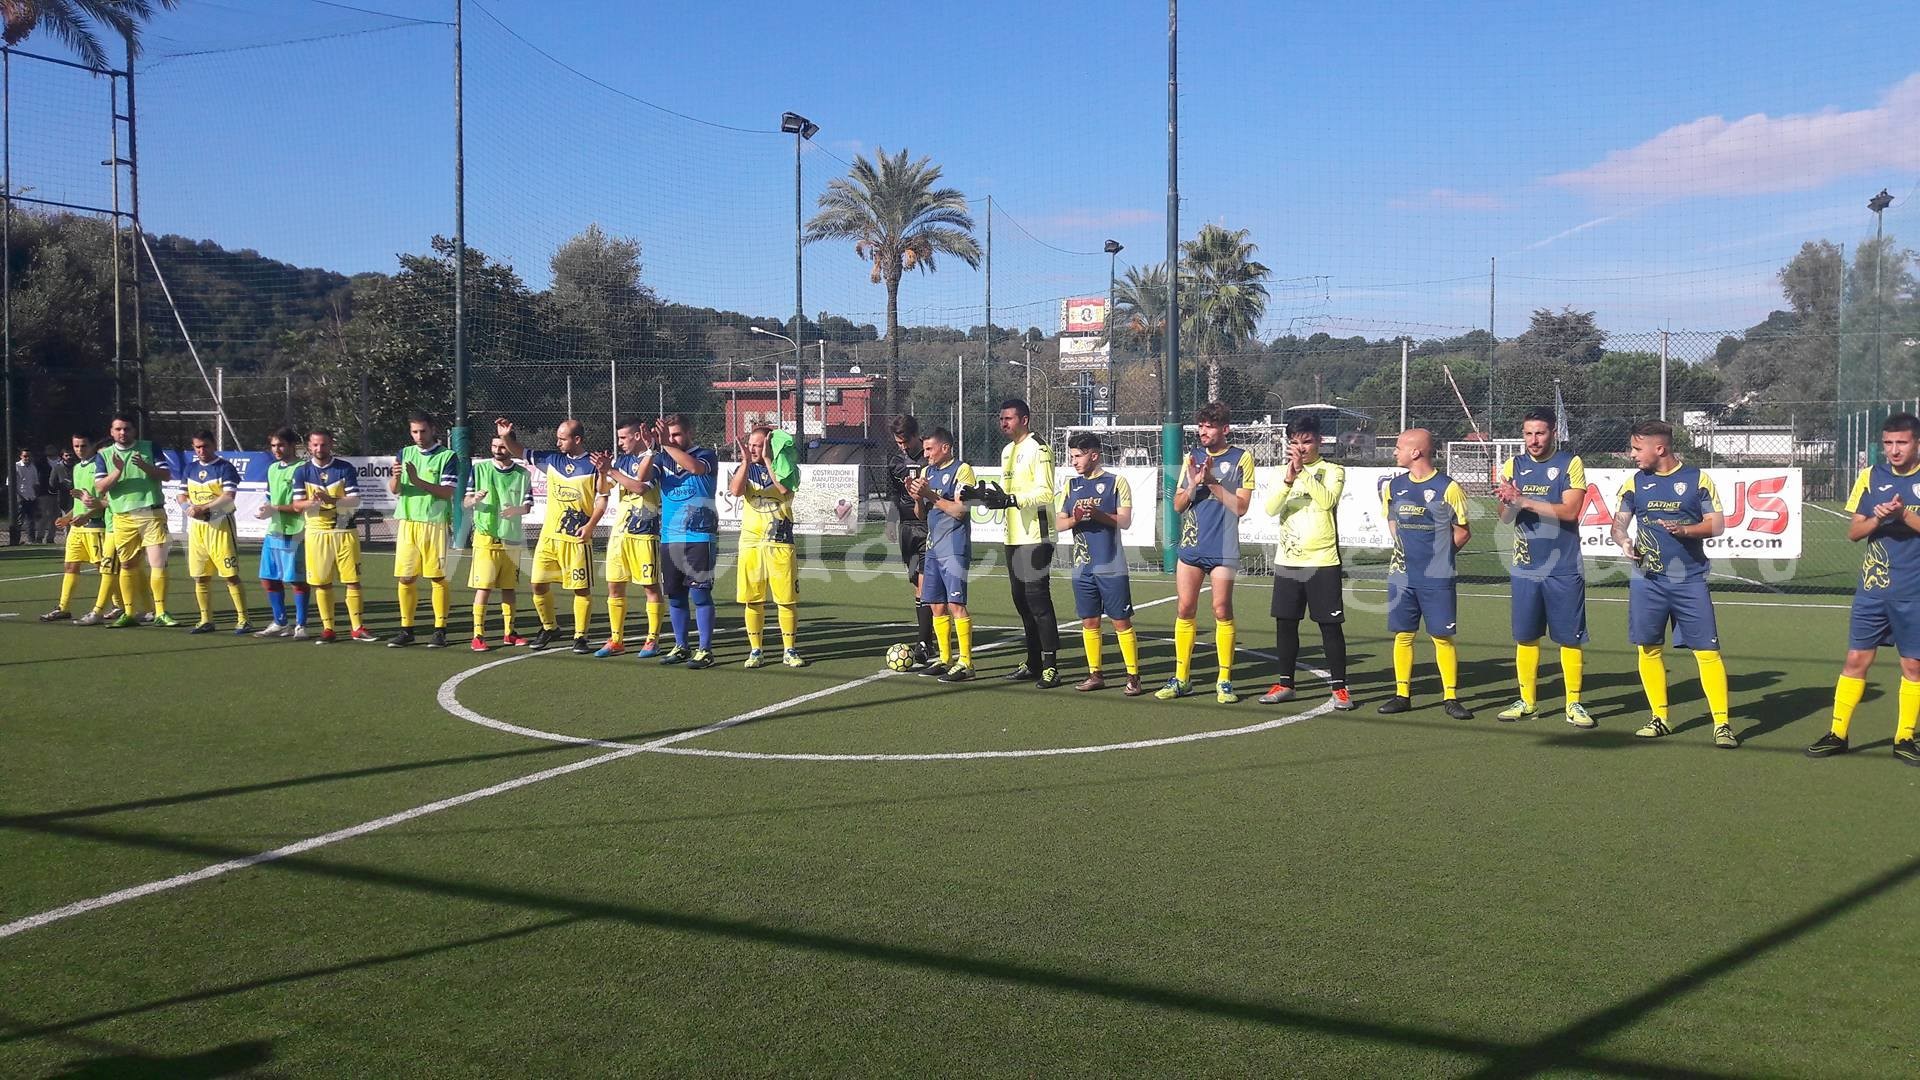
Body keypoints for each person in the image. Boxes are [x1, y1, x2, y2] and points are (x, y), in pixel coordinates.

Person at [1609, 419, 1735, 748]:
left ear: (1659, 448)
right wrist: (1623, 542)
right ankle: (1660, 717)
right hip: (1647, 581)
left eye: (1637, 448)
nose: (1632, 454)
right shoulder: (1635, 483)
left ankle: (1722, 724)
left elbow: (1717, 524)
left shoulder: (1697, 480)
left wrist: (1685, 531)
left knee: (1707, 650)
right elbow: (1618, 526)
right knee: (1648, 647)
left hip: (1689, 581)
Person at [1811, 413, 1920, 764]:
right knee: (1856, 658)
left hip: (1914, 592)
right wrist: (1879, 517)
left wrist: (1904, 516)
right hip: (1873, 589)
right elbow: (1855, 532)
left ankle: (1904, 737)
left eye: (1901, 442)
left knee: (1914, 666)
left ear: (1917, 442)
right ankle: (1838, 734)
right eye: (1888, 443)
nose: (1893, 450)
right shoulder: (1871, 476)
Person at [1493, 407, 1594, 728]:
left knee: (1569, 638)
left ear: (1553, 433)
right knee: (1526, 636)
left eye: (1540, 433)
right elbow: (1505, 517)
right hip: (1525, 566)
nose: (1533, 440)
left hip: (1563, 566)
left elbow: (1570, 511)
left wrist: (1524, 501)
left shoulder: (1570, 463)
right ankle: (1527, 701)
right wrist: (1508, 499)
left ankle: (1574, 703)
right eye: (1527, 434)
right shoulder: (1514, 465)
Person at [1160, 401, 1256, 703]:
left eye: (1209, 426)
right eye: (1200, 426)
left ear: (1224, 429)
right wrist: (1192, 485)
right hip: (1191, 547)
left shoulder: (1242, 458)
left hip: (1223, 548)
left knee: (1220, 610)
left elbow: (1240, 507)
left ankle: (1224, 679)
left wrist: (1211, 482)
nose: (1203, 431)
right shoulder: (1193, 457)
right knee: (1185, 609)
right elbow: (1177, 505)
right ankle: (1181, 678)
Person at [1259, 414, 1353, 710]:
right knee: (1286, 623)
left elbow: (1327, 502)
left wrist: (1303, 473)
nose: (1301, 448)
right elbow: (1271, 508)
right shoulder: (1280, 472)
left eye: (1307, 442)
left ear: (1319, 442)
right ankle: (1285, 683)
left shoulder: (1333, 470)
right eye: (1295, 442)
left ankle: (1340, 687)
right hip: (1288, 559)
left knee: (1329, 625)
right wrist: (1289, 477)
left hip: (1323, 559)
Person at [1378, 428, 1474, 718]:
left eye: (1398, 447)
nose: (1395, 452)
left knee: (1441, 637)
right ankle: (1402, 694)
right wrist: (1403, 550)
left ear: (1416, 452)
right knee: (1403, 634)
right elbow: (1393, 521)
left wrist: (1439, 559)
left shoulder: (1449, 488)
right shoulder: (1394, 487)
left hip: (1436, 578)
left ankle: (1450, 698)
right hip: (1402, 575)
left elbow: (1463, 532)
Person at [1057, 433, 1142, 695]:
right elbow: (1059, 523)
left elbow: (1125, 521)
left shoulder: (1117, 482)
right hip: (1082, 567)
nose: (1074, 461)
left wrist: (1099, 515)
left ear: (1094, 455)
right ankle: (1095, 674)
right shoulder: (1071, 486)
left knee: (1120, 621)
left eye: (1078, 456)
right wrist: (1076, 519)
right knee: (1089, 621)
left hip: (1111, 565)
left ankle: (1133, 676)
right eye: (1071, 456)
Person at [637, 414, 719, 668]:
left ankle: (705, 650)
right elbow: (641, 480)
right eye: (668, 435)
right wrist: (651, 450)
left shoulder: (706, 455)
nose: (672, 439)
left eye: (676, 435)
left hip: (700, 537)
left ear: (689, 432)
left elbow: (694, 468)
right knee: (675, 596)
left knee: (700, 594)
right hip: (670, 537)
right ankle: (681, 645)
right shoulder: (662, 459)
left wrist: (666, 445)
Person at [525, 418, 606, 653]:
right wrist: (507, 437)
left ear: (577, 439)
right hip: (549, 537)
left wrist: (590, 526)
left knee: (580, 589)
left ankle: (581, 636)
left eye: (562, 438)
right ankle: (549, 627)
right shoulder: (552, 460)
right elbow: (521, 452)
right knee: (537, 584)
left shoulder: (593, 465)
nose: (557, 442)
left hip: (577, 540)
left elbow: (602, 500)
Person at [731, 424, 807, 668]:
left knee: (786, 600)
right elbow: (735, 490)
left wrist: (766, 459)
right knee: (752, 600)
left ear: (770, 446)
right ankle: (756, 650)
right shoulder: (744, 469)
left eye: (759, 444)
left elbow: (784, 489)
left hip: (780, 543)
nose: (754, 449)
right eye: (751, 444)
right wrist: (745, 462)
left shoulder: (789, 470)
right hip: (751, 544)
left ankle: (790, 650)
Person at [998, 399, 1061, 687]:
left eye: (1009, 418)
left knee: (1038, 601)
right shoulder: (1007, 451)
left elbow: (1046, 493)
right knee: (1021, 600)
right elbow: (1007, 494)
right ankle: (1033, 661)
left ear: (1025, 419)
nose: (1004, 423)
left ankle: (1051, 666)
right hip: (1013, 536)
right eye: (1001, 419)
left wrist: (1012, 499)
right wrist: (992, 498)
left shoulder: (1039, 448)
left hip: (1037, 536)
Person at [290, 428, 374, 644]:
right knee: (321, 583)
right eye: (315, 445)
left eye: (324, 444)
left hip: (345, 531)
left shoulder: (344, 468)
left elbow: (354, 501)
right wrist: (311, 503)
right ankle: (328, 629)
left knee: (352, 581)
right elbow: (297, 504)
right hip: (317, 533)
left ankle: (357, 628)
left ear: (331, 444)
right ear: (309, 446)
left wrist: (330, 499)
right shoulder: (301, 472)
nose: (319, 449)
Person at [906, 426, 977, 682]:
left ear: (945, 447)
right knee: (936, 605)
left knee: (956, 604)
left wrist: (930, 495)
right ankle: (946, 659)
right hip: (933, 546)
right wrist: (916, 497)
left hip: (954, 547)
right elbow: (921, 515)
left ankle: (966, 663)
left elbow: (960, 511)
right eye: (924, 449)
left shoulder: (962, 470)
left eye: (929, 449)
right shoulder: (927, 472)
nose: (925, 455)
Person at [93, 414, 175, 627]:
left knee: (158, 563)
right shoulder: (104, 455)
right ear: (111, 432)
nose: (123, 433)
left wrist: (145, 466)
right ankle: (129, 613)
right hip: (122, 516)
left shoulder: (149, 447)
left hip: (151, 513)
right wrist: (118, 471)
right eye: (118, 429)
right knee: (127, 565)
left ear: (134, 430)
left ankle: (161, 612)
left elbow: (166, 475)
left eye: (127, 429)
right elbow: (100, 487)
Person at [596, 419, 666, 658]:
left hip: (645, 533)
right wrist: (602, 471)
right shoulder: (621, 460)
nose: (619, 442)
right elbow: (604, 488)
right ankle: (616, 639)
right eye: (618, 438)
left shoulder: (655, 460)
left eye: (623, 438)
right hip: (620, 533)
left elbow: (640, 487)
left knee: (650, 586)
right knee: (614, 586)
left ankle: (652, 639)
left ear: (637, 436)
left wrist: (611, 470)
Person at [387, 412, 458, 649]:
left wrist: (417, 481)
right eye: (414, 431)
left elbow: (447, 492)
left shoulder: (447, 456)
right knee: (406, 578)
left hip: (434, 522)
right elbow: (395, 490)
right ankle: (407, 629)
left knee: (437, 577)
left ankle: (440, 630)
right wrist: (396, 479)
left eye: (423, 431)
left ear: (433, 430)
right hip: (408, 522)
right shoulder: (404, 453)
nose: (418, 436)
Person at [464, 429, 533, 651]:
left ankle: (509, 633)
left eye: (502, 447)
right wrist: (474, 498)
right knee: (483, 587)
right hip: (486, 538)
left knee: (509, 588)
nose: (497, 451)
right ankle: (478, 635)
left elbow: (528, 506)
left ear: (511, 446)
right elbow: (465, 502)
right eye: (494, 447)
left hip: (511, 539)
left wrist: (517, 509)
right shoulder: (479, 469)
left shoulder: (523, 474)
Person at [177, 430, 251, 634]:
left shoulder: (224, 467)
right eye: (197, 447)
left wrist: (204, 508)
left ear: (213, 445)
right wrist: (189, 510)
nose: (201, 451)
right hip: (198, 529)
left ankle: (243, 619)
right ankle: (205, 620)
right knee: (200, 576)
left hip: (221, 526)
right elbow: (181, 496)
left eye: (205, 446)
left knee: (230, 575)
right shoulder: (190, 468)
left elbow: (229, 497)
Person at [41, 433, 118, 624]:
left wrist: (86, 516)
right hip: (77, 528)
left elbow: (109, 501)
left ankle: (119, 605)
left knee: (104, 568)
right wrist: (67, 518)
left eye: (83, 446)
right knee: (70, 566)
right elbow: (80, 502)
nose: (79, 450)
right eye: (76, 446)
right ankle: (63, 607)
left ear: (92, 446)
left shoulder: (101, 467)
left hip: (95, 527)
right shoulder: (76, 468)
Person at [887, 414, 940, 672]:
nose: (903, 447)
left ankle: (923, 643)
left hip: (929, 524)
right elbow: (893, 493)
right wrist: (890, 520)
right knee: (917, 586)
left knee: (924, 583)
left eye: (906, 441)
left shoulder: (930, 458)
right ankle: (932, 635)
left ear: (916, 435)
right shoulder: (895, 460)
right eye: (898, 442)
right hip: (907, 527)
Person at [252, 428, 312, 640]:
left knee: (297, 580)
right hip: (274, 531)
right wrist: (265, 509)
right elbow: (270, 499)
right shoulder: (272, 469)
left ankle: (301, 625)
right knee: (268, 579)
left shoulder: (303, 468)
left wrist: (274, 508)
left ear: (292, 445)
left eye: (281, 445)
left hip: (294, 531)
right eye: (274, 446)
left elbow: (300, 505)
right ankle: (280, 622)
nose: (277, 450)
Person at [12, 447, 42, 544]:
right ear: (21, 456)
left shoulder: (33, 467)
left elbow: (35, 483)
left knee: (31, 520)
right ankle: (15, 541)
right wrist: (17, 496)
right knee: (19, 520)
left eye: (29, 456)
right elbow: (10, 484)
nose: (27, 458)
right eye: (25, 456)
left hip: (31, 496)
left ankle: (31, 540)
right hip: (20, 496)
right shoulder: (16, 466)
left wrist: (36, 496)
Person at [43, 444, 70, 545]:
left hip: (77, 497)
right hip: (64, 497)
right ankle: (68, 541)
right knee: (65, 519)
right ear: (63, 456)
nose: (69, 457)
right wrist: (62, 485)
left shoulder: (77, 466)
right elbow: (52, 483)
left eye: (70, 455)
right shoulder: (58, 467)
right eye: (67, 455)